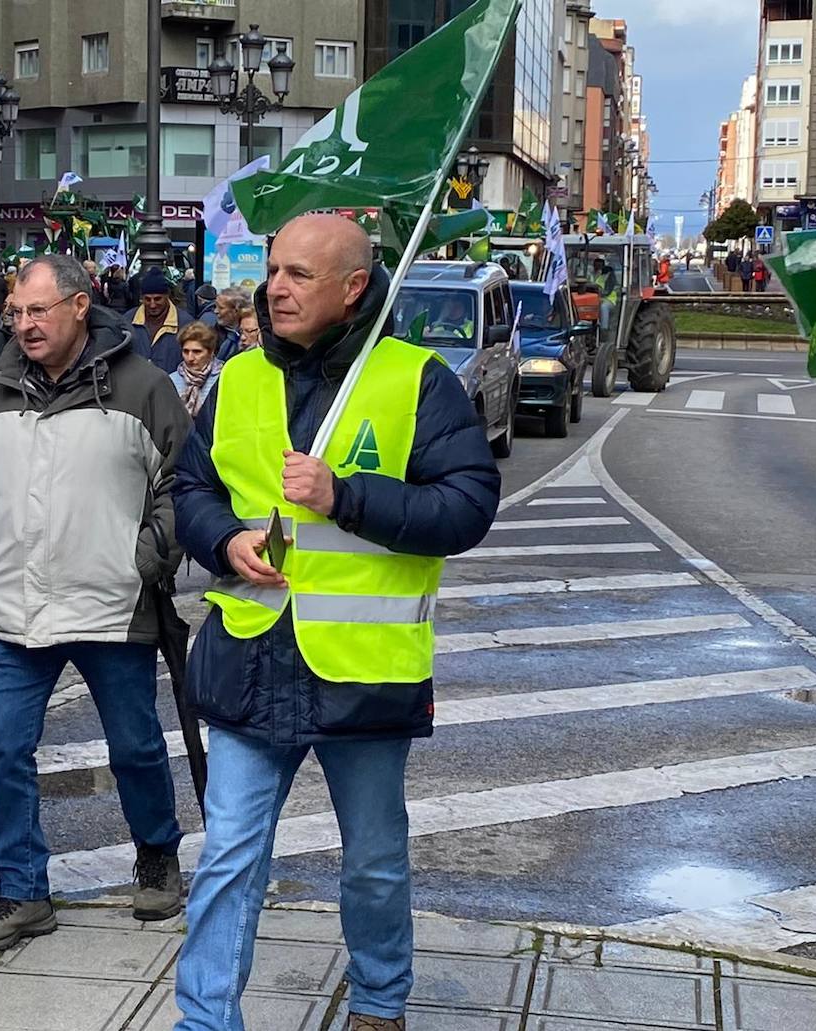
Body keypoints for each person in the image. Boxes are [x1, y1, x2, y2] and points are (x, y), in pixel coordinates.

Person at [170, 214, 501, 1031]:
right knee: (228, 859)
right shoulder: (239, 377)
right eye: (272, 271)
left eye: (298, 275)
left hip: (363, 669)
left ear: (354, 288)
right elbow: (190, 488)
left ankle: (380, 1004)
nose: (274, 288)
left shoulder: (415, 379)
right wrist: (224, 536)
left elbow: (466, 508)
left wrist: (343, 495)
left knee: (376, 864)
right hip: (252, 657)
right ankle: (205, 1020)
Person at [0, 254, 190, 953]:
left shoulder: (144, 386)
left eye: (37, 311)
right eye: (14, 314)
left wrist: (147, 555)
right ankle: (23, 890)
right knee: (2, 749)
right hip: (16, 609)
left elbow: (183, 484)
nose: (23, 324)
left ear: (80, 306)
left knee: (136, 746)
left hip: (110, 605)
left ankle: (156, 853)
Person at [128, 267, 194, 373]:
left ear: (167, 296)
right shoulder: (128, 320)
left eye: (158, 299)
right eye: (148, 299)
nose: (152, 305)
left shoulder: (186, 323)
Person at [170, 322, 223, 418]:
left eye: (197, 352)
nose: (190, 358)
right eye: (186, 351)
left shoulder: (223, 377)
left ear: (211, 352)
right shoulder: (172, 380)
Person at [207, 288, 248, 361]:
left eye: (221, 308)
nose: (215, 311)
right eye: (215, 306)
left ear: (236, 310)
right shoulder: (211, 333)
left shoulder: (253, 334)